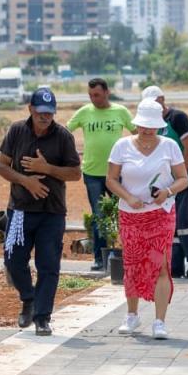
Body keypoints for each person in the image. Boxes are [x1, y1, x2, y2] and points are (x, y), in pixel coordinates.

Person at [0, 86, 81, 336]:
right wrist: (27, 181)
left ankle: (42, 317)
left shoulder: (63, 136)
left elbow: (75, 173)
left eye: (50, 113)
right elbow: (2, 167)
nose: (45, 117)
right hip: (21, 210)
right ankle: (28, 299)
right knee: (12, 260)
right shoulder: (16, 131)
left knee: (48, 265)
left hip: (52, 212)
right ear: (31, 109)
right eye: (41, 112)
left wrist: (48, 168)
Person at [106, 99, 188, 339]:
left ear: (159, 126)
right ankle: (132, 315)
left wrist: (168, 192)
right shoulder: (122, 146)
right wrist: (128, 197)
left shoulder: (169, 146)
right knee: (131, 264)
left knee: (161, 264)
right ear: (136, 123)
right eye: (143, 125)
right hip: (131, 215)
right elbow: (111, 179)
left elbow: (182, 178)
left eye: (152, 126)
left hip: (160, 213)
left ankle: (159, 321)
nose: (147, 130)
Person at [66, 78, 134, 271]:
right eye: (90, 95)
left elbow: (137, 133)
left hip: (117, 173)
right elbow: (64, 131)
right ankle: (99, 259)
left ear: (107, 92)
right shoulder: (85, 112)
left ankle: (129, 254)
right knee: (98, 216)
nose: (93, 98)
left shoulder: (120, 112)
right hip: (92, 173)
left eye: (96, 94)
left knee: (123, 213)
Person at [143, 86, 188, 280]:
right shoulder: (154, 124)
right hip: (165, 184)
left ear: (162, 99)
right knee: (171, 226)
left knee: (184, 223)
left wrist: (181, 176)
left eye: (156, 102)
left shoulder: (178, 118)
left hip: (184, 180)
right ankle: (175, 267)